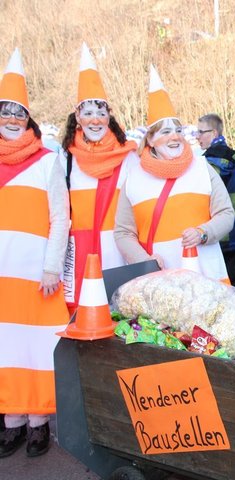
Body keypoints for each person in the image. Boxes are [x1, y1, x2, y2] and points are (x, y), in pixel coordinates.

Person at [0, 49, 70, 458]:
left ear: (28, 120)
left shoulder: (47, 161)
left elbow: (60, 218)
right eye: (5, 112)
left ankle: (38, 422)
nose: (12, 119)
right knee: (5, 347)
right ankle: (11, 422)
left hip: (34, 274)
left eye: (19, 113)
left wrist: (51, 267)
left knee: (34, 347)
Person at [114, 65, 233, 279]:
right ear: (150, 139)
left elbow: (226, 213)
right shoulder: (133, 178)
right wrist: (143, 260)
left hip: (205, 277)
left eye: (178, 130)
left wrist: (203, 233)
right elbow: (123, 232)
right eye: (166, 132)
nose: (175, 137)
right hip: (159, 280)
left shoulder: (201, 167)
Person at [60, 43, 138, 310]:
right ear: (77, 116)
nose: (95, 120)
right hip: (78, 249)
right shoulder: (65, 158)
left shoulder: (128, 157)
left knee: (120, 313)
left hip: (117, 249)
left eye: (101, 113)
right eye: (88, 113)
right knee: (80, 315)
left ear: (109, 117)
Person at [197, 113, 235, 291]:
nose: (197, 137)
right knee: (234, 282)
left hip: (214, 233)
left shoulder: (205, 163)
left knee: (214, 286)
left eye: (201, 132)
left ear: (214, 133)